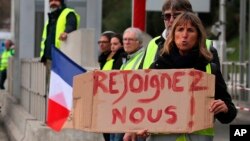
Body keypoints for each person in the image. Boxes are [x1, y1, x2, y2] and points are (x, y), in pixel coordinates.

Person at [138, 12, 237, 141]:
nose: (184, 35)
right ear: (173, 34)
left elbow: (229, 112)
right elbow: (142, 104)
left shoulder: (209, 67)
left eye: (190, 30)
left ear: (198, 36)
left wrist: (224, 108)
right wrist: (140, 126)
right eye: (180, 30)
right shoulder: (158, 67)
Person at [139, 0, 220, 70]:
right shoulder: (153, 43)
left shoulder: (208, 47)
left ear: (188, 16)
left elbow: (219, 86)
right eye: (167, 16)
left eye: (177, 15)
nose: (171, 20)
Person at [121, 27, 146, 141]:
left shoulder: (143, 57)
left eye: (130, 39)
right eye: (125, 39)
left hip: (136, 117)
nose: (126, 42)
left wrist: (133, 125)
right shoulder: (128, 59)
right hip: (124, 115)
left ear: (139, 42)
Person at [40, 0, 80, 64]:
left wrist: (66, 32)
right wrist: (44, 57)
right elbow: (46, 40)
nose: (53, 3)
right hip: (49, 59)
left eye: (56, 0)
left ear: (61, 2)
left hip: (62, 57)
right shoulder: (49, 20)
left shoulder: (68, 13)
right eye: (51, 1)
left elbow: (71, 25)